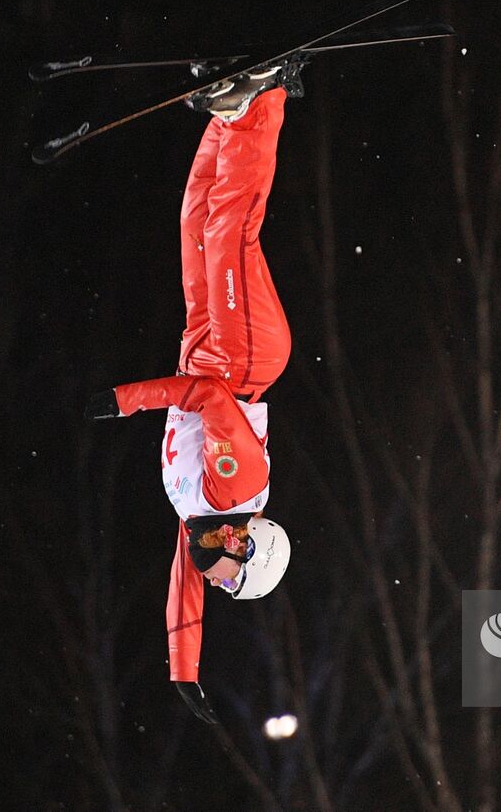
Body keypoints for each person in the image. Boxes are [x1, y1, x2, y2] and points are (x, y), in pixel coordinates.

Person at [86, 64, 301, 722]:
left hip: (206, 342)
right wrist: (125, 400)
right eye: (233, 577)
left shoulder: (197, 523)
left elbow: (185, 592)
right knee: (230, 232)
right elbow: (208, 399)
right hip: (242, 356)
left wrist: (184, 672)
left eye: (225, 586)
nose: (217, 579)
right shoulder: (234, 490)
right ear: (248, 544)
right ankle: (261, 103)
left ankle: (221, 118)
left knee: (194, 224)